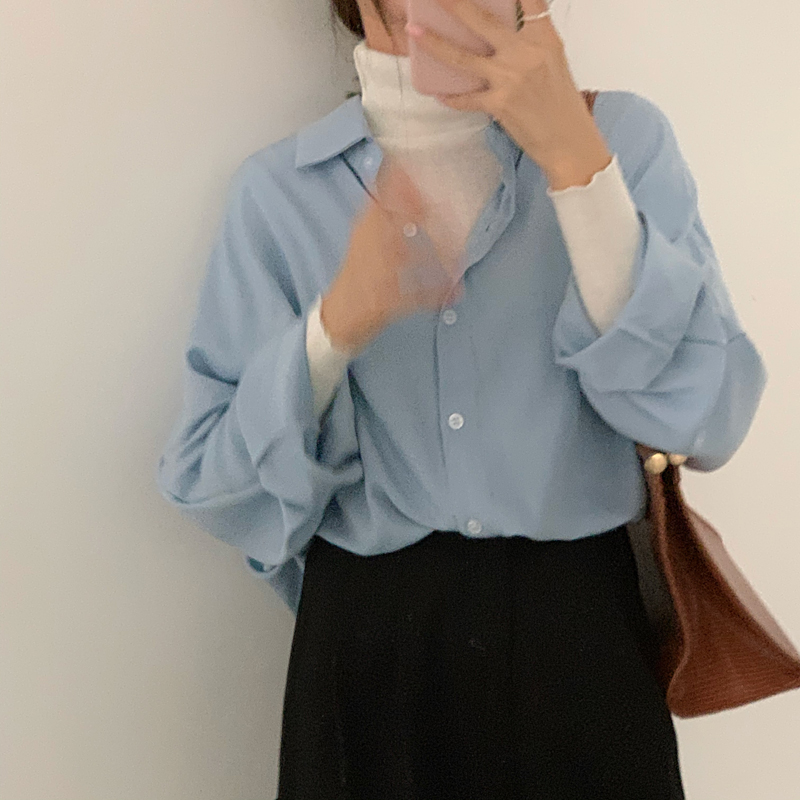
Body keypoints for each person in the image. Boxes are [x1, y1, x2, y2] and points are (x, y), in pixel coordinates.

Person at [155, 0, 767, 796]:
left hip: (584, 633)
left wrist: (577, 166)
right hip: (370, 649)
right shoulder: (281, 191)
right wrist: (334, 329)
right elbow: (209, 481)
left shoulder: (622, 141)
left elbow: (709, 420)